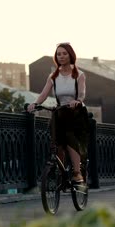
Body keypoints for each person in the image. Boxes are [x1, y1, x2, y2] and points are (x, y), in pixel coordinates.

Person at [27, 42, 88, 183]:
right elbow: (43, 93)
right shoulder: (53, 76)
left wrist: (77, 100)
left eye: (64, 53)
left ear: (70, 55)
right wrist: (35, 104)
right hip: (60, 111)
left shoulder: (79, 74)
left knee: (69, 137)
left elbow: (82, 92)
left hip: (76, 112)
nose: (61, 56)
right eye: (58, 54)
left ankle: (77, 172)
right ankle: (60, 172)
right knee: (56, 142)